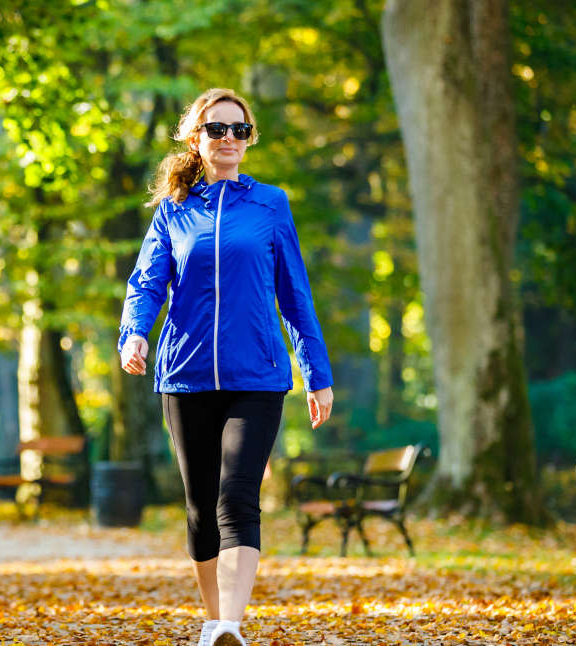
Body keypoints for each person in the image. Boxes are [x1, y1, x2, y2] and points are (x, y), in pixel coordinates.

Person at [118, 88, 335, 646]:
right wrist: (136, 334)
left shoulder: (271, 205)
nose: (230, 140)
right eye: (218, 129)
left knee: (237, 495)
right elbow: (146, 282)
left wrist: (317, 372)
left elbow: (295, 293)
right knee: (199, 507)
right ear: (197, 138)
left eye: (240, 130)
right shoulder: (174, 210)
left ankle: (232, 625)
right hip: (186, 375)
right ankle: (214, 621)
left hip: (257, 376)